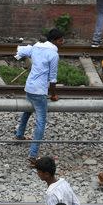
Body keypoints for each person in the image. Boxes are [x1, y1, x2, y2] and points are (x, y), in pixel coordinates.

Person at [15, 29, 62, 165]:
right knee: (41, 122)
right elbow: (52, 79)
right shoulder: (53, 54)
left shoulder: (36, 47)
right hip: (40, 90)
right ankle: (33, 155)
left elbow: (20, 51)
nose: (62, 43)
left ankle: (19, 135)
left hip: (29, 87)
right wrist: (53, 95)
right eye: (60, 40)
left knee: (27, 111)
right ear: (54, 40)